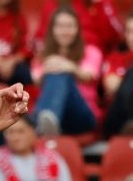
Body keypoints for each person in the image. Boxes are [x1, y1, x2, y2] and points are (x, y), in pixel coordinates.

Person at [30, 6, 102, 136]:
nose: (65, 31)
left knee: (62, 74)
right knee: (57, 74)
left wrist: (70, 67)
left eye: (70, 26)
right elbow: (35, 81)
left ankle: (41, 124)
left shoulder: (91, 52)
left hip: (82, 115)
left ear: (77, 29)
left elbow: (89, 76)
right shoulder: (41, 56)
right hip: (55, 110)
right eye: (60, 26)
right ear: (52, 29)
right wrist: (46, 71)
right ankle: (48, 122)